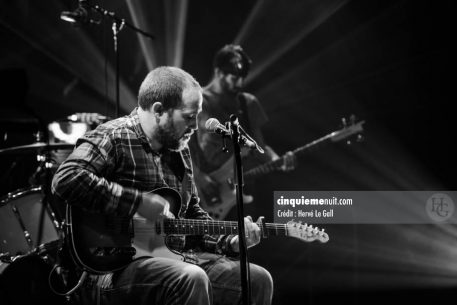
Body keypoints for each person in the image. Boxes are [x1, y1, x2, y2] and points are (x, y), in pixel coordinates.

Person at [51, 66, 273, 305]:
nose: (195, 127)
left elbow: (190, 216)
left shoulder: (180, 149)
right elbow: (66, 178)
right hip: (110, 268)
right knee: (190, 277)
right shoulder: (113, 136)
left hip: (174, 258)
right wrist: (138, 203)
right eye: (188, 117)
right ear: (158, 110)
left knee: (257, 279)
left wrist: (229, 241)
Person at [189, 44, 296, 216]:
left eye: (242, 78)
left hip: (244, 191)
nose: (239, 83)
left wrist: (279, 161)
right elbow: (179, 146)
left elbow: (260, 147)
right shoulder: (196, 102)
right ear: (218, 72)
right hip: (208, 192)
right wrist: (199, 178)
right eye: (234, 77)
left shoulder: (248, 103)